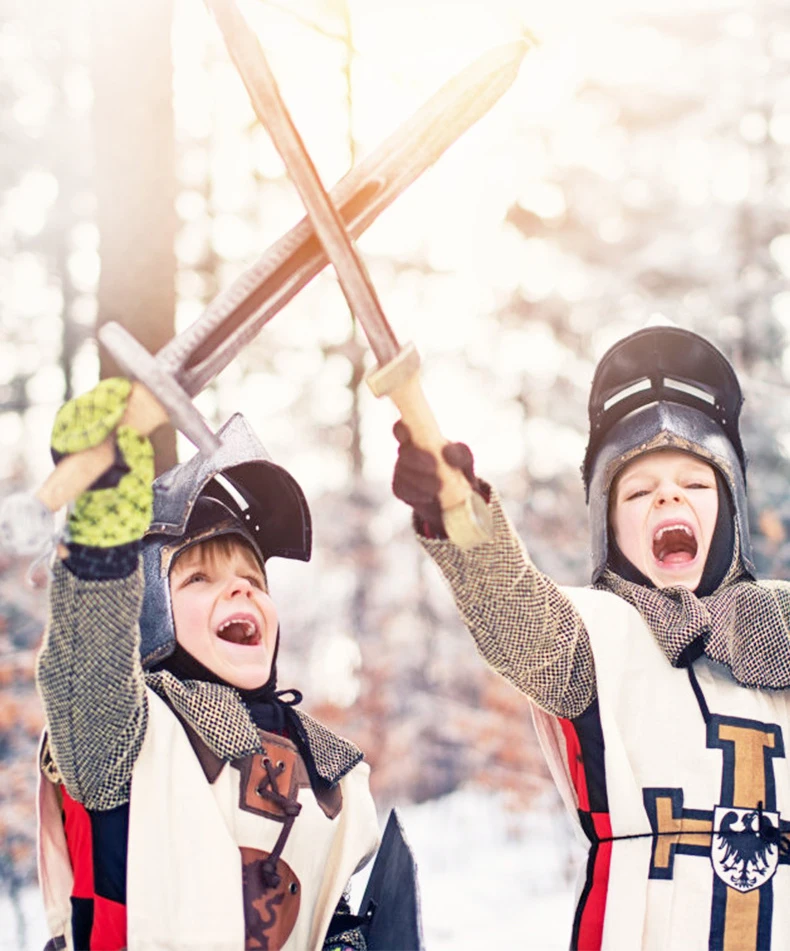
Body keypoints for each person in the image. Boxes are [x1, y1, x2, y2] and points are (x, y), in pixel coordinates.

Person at [392, 324, 790, 951]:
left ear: (731, 511)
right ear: (609, 529)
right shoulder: (593, 638)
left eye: (694, 483)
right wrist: (459, 518)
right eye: (638, 490)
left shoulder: (783, 628)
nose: (667, 497)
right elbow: (516, 617)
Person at [35, 378, 379, 951]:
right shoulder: (132, 737)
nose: (241, 593)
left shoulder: (327, 769)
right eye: (199, 578)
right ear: (146, 609)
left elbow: (322, 908)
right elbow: (88, 671)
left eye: (253, 580)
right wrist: (100, 524)